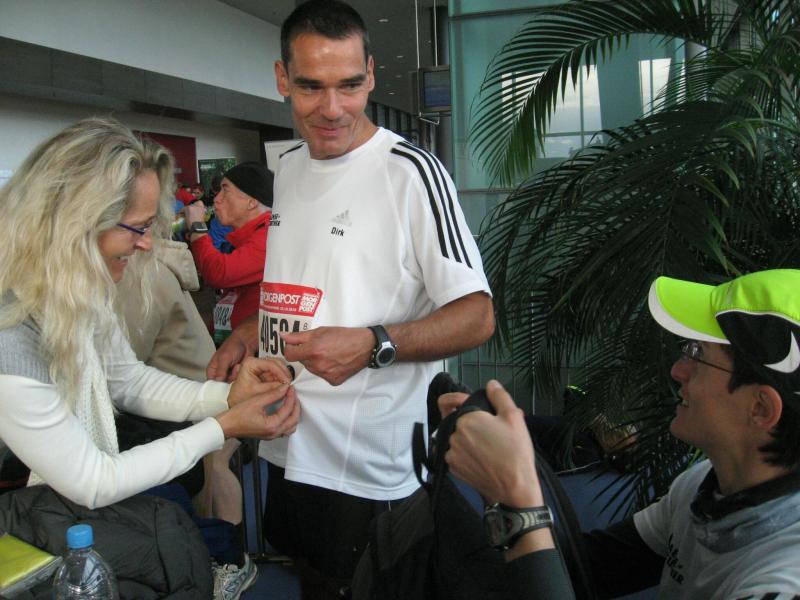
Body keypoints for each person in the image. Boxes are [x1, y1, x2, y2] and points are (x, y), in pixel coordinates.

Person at [208, 1, 495, 595]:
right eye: (310, 86)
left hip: (368, 465)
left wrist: (373, 344)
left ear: (370, 74)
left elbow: (477, 315)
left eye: (349, 85)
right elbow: (309, 286)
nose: (332, 108)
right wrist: (245, 334)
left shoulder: (411, 173)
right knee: (310, 580)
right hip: (286, 436)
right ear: (282, 78)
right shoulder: (288, 168)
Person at [0, 117, 300, 591]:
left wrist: (227, 397)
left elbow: (128, 380)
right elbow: (93, 481)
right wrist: (222, 426)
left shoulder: (77, 292)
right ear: (77, 222)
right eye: (137, 228)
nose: (145, 244)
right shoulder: (10, 330)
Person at [444, 269, 800, 599]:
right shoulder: (703, 487)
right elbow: (586, 570)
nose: (678, 370)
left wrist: (516, 498)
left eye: (697, 353)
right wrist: (497, 468)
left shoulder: (784, 580)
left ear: (761, 408)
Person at [116, 240, 254, 598]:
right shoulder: (149, 266)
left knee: (204, 475)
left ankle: (225, 561)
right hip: (201, 396)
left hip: (191, 407)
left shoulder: (140, 276)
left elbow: (123, 368)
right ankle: (226, 558)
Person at [184, 162, 272, 346]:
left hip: (253, 352)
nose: (216, 199)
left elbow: (219, 273)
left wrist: (198, 228)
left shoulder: (269, 235)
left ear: (252, 201)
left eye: (225, 190)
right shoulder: (251, 236)